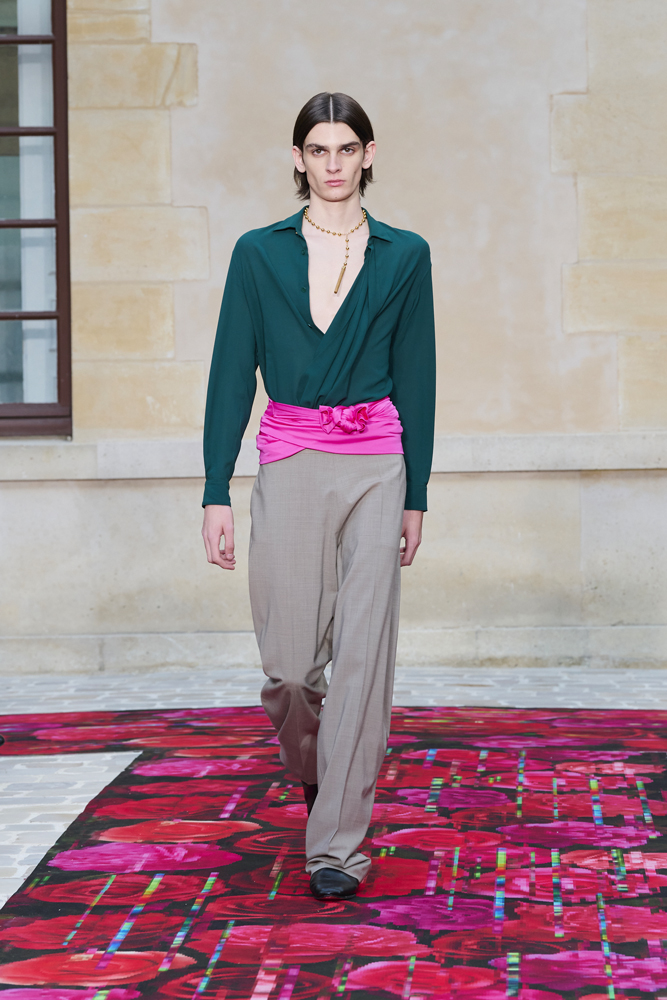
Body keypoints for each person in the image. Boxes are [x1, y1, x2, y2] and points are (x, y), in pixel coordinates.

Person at [201, 92, 436, 900]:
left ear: (368, 154)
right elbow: (230, 373)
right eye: (317, 149)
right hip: (292, 457)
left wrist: (416, 496)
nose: (332, 164)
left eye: (346, 148)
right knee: (291, 671)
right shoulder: (258, 254)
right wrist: (215, 488)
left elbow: (417, 376)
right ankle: (314, 768)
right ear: (297, 159)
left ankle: (337, 845)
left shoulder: (404, 255)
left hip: (377, 465)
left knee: (363, 658)